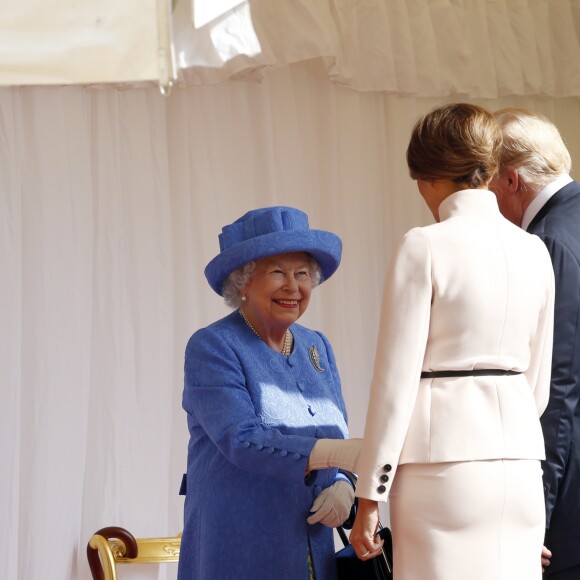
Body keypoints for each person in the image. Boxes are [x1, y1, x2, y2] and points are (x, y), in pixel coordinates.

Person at [348, 103, 555, 579]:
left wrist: (369, 497)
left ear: (424, 175)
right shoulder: (535, 250)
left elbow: (392, 386)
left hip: (441, 469)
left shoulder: (424, 244)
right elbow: (536, 385)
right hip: (520, 467)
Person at [177, 206, 361, 580]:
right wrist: (336, 454)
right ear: (242, 281)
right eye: (277, 272)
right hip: (240, 542)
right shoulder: (213, 346)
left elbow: (335, 431)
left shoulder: (316, 347)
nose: (293, 286)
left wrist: (344, 485)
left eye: (303, 273)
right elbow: (241, 440)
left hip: (313, 544)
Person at [491, 108, 580, 580]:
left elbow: (556, 390)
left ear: (510, 180)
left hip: (567, 506)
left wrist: (533, 519)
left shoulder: (546, 243)